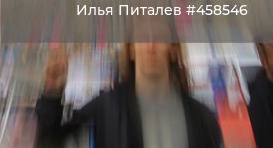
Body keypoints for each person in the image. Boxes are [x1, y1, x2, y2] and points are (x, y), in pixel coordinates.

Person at [35, 37, 222, 148]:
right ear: (131, 49)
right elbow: (51, 144)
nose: (150, 45)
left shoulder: (202, 118)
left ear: (173, 49)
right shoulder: (105, 109)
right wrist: (52, 95)